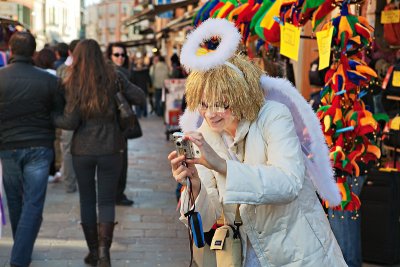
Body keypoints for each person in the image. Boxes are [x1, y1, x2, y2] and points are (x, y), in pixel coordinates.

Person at [167, 19, 347, 267]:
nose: (211, 114)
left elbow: (288, 183)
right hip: (246, 256)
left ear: (241, 96)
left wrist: (222, 165)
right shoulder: (206, 134)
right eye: (205, 105)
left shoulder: (274, 115)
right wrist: (194, 185)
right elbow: (206, 220)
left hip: (300, 253)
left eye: (222, 103)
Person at [53, 39, 145, 266]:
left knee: (86, 200)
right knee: (106, 202)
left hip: (82, 150)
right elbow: (140, 97)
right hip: (112, 148)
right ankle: (104, 253)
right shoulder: (114, 76)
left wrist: (52, 118)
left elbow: (71, 121)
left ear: (77, 56)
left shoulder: (73, 81)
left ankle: (93, 252)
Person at [0, 32, 64, 267]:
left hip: (8, 147)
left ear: (10, 49)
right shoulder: (49, 80)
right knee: (33, 204)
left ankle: (21, 252)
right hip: (39, 145)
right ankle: (20, 255)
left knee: (16, 202)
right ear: (34, 51)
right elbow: (58, 112)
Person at [106, 42, 135, 206]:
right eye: (117, 54)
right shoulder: (111, 74)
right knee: (117, 160)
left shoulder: (126, 73)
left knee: (122, 160)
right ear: (109, 55)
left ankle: (118, 193)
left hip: (123, 123)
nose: (120, 58)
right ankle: (115, 193)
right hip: (112, 123)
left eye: (123, 55)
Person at [57, 39, 80, 193]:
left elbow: (57, 94)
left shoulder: (62, 70)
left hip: (67, 115)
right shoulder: (90, 69)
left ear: (70, 52)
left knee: (67, 150)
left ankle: (70, 184)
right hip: (87, 116)